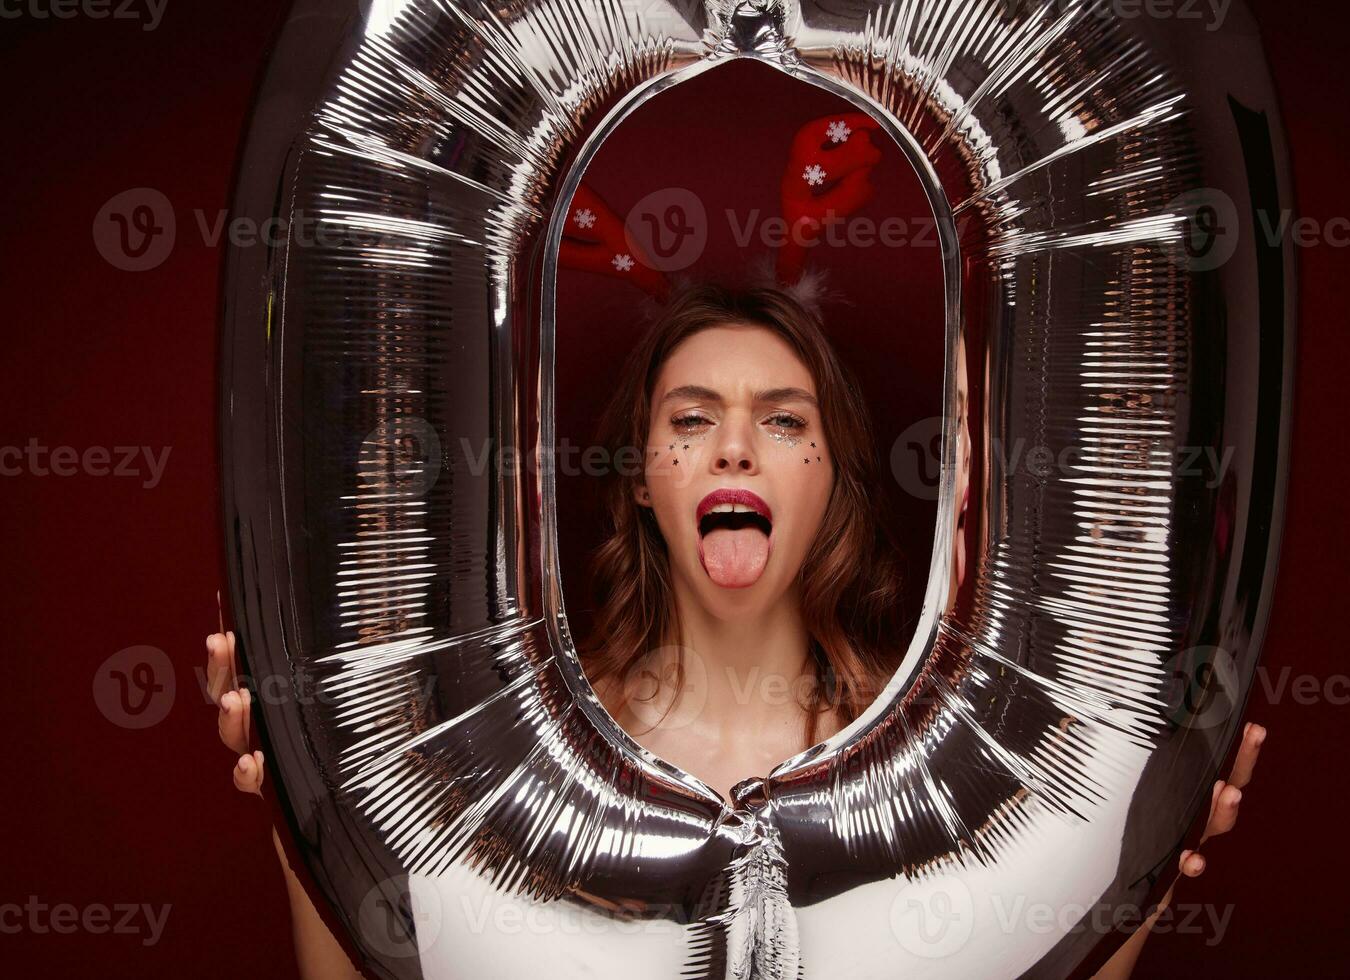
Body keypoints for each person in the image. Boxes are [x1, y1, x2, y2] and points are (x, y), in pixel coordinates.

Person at [205, 276, 1268, 979]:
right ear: (639, 482)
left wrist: (1137, 863)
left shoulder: (953, 768)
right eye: (692, 416)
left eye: (785, 417)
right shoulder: (511, 773)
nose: (735, 447)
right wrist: (306, 817)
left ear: (833, 480)